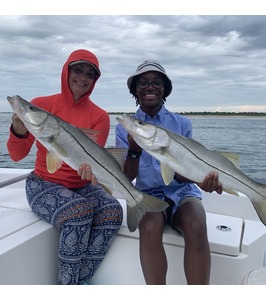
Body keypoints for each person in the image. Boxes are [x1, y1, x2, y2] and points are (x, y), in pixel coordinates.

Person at [6, 49, 123, 285]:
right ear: (66, 71)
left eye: (90, 74)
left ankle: (79, 280)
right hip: (42, 184)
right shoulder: (41, 105)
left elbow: (90, 163)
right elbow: (16, 156)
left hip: (81, 185)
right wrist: (19, 130)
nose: (83, 76)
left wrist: (93, 175)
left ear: (95, 81)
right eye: (77, 69)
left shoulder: (100, 116)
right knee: (78, 212)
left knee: (114, 211)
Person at [115, 60, 223, 285]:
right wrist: (134, 151)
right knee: (149, 227)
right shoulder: (124, 126)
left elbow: (184, 174)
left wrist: (202, 180)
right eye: (143, 83)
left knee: (196, 225)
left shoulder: (182, 123)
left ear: (165, 89)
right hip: (147, 195)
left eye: (157, 82)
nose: (150, 87)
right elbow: (126, 178)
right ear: (135, 90)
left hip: (182, 192)